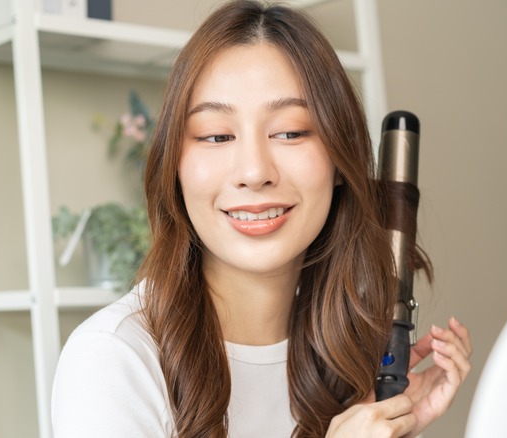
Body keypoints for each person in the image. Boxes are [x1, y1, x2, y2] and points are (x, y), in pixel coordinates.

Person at [51, 1, 472, 437]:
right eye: (216, 135)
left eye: (289, 132)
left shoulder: (350, 360)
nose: (254, 173)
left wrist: (394, 421)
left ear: (339, 159)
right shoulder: (114, 357)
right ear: (174, 165)